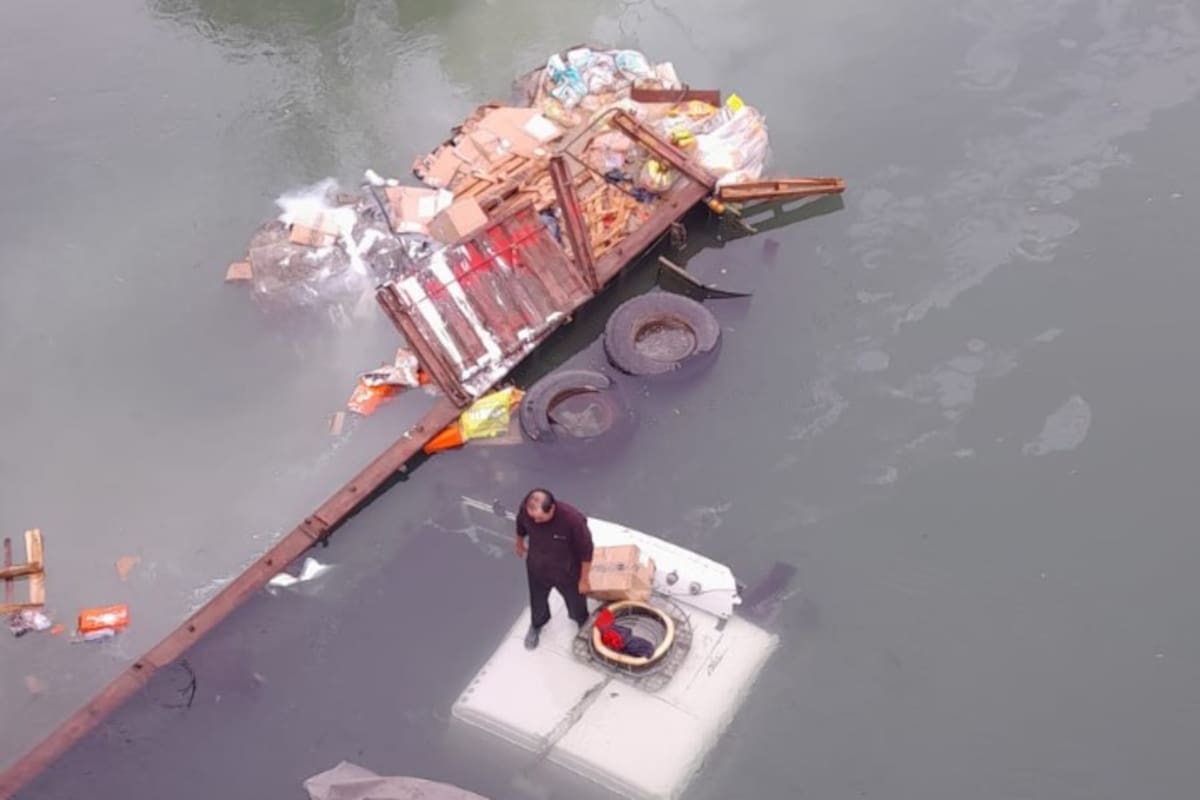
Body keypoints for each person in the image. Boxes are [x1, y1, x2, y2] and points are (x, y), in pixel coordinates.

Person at [514, 488, 594, 650]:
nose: (536, 522)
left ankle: (581, 623)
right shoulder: (527, 510)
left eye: (540, 518)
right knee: (537, 600)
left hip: (567, 571)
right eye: (533, 518)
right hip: (537, 567)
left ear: (551, 508)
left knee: (576, 602)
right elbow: (520, 525)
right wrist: (519, 543)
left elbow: (586, 552)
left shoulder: (573, 520)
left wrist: (584, 579)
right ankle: (537, 624)